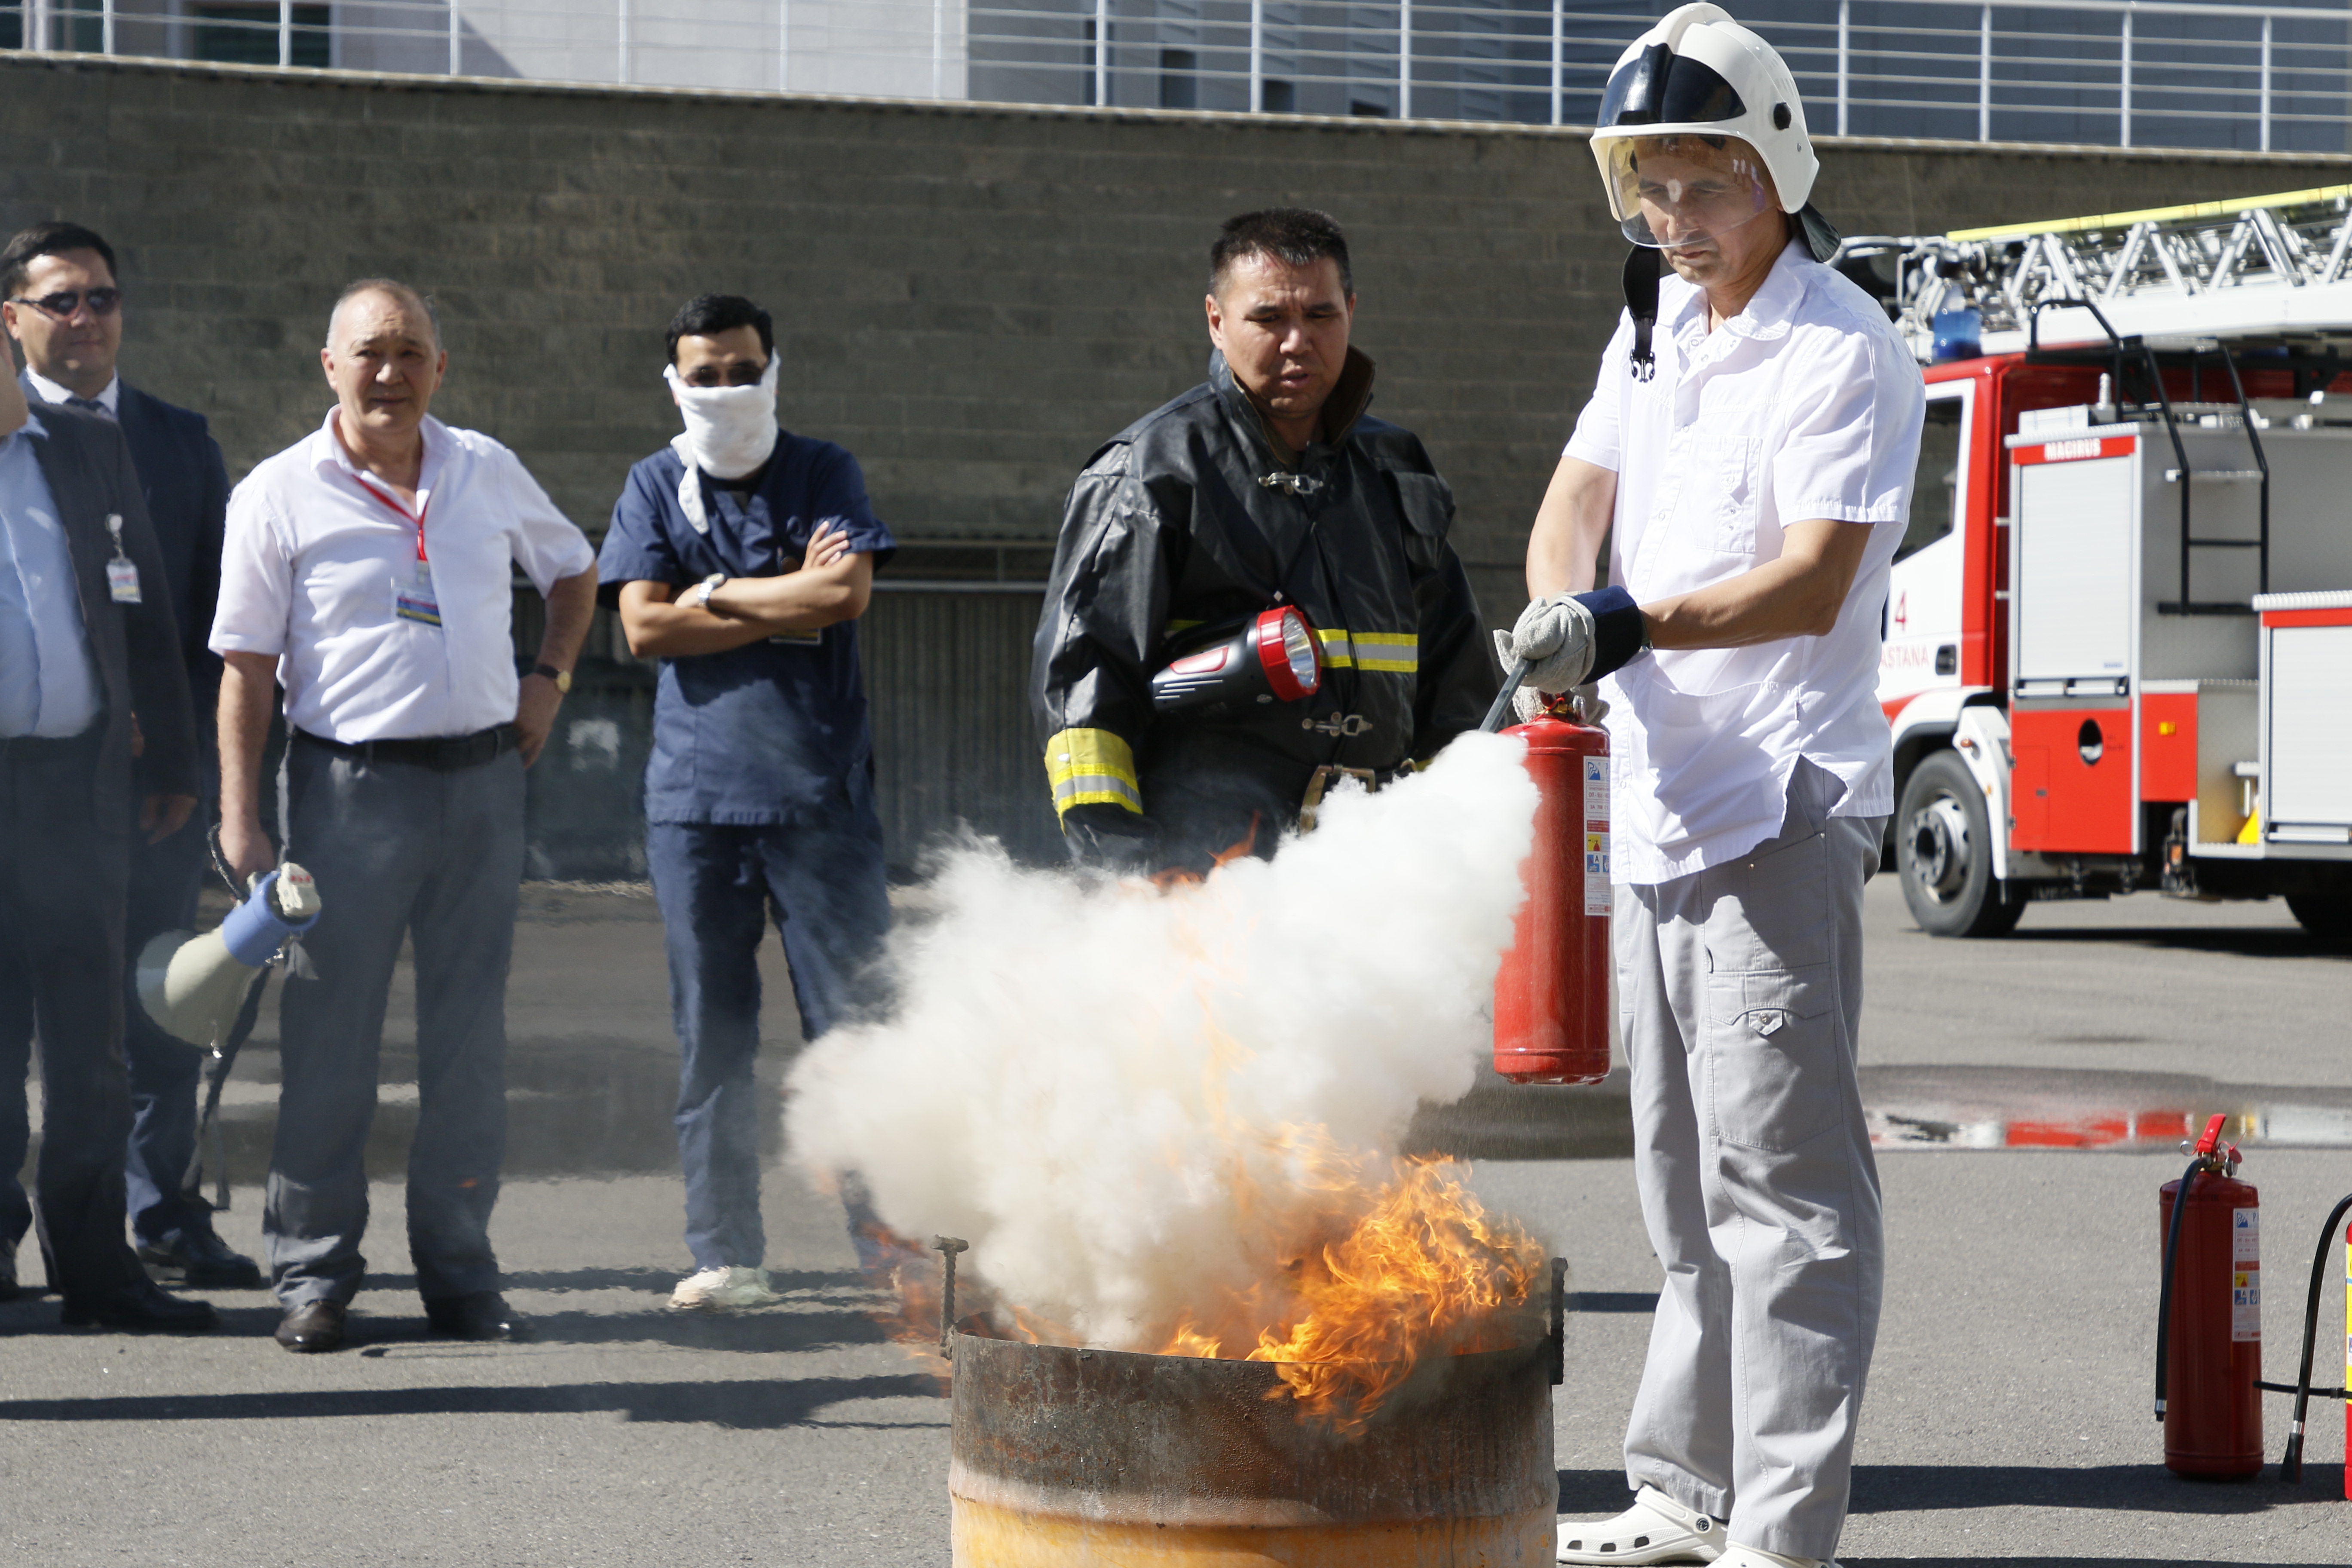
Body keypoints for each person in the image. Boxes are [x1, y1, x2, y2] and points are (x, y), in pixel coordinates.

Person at [1512, 9, 1925, 1568]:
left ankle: (1784, 1525)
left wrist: (1619, 620)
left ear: (1776, 168)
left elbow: (1813, 581)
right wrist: (1562, 614)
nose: (1675, 218)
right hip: (1664, 802)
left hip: (1775, 800)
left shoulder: (1840, 344)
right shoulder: (1652, 333)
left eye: (1704, 182)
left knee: (1789, 1192)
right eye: (1648, 187)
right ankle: (1680, 1490)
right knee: (1679, 1183)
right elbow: (1573, 501)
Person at [211, 279, 596, 1354]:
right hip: (345, 794)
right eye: (370, 352)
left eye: (412, 352)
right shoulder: (280, 493)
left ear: (441, 369)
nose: (391, 372)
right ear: (328, 367)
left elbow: (573, 572)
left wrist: (549, 679)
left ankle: (461, 1274)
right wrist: (243, 819)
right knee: (331, 1044)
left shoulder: (485, 469)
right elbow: (246, 667)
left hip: (482, 787)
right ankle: (313, 1276)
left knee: (469, 1048)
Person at [1031, 208, 1494, 876]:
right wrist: (1130, 867)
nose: (1297, 341)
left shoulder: (1396, 465)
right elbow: (1082, 680)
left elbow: (1458, 682)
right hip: (1208, 866)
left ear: (1352, 312)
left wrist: (1453, 845)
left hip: (1379, 870)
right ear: (1217, 321)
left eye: (1321, 316)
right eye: (1269, 318)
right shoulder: (1152, 470)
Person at [597, 294, 895, 1311]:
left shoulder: (823, 471)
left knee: (857, 1036)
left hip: (821, 806)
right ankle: (726, 1253)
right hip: (696, 807)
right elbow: (640, 629)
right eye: (706, 372)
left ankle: (893, 1256)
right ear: (677, 382)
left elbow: (844, 594)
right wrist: (771, 592)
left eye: (743, 367)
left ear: (775, 367)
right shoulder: (652, 484)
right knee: (712, 1038)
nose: (727, 386)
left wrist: (712, 594)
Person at [0, 221, 249, 1291]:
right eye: (60, 302)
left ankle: (102, 1260)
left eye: (101, 299)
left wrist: (179, 760)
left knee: (99, 1037)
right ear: (9, 322)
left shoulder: (102, 447)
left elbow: (165, 621)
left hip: (82, 788)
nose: (85, 319)